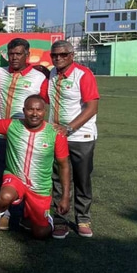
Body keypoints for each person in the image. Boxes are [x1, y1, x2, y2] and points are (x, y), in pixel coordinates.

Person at [0, 95, 71, 242]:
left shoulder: (56, 134)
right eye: (30, 109)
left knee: (41, 234)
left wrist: (65, 197)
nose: (34, 113)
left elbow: (64, 166)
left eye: (38, 110)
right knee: (5, 196)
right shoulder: (12, 125)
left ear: (44, 111)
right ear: (24, 111)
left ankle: (38, 218)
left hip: (39, 187)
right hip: (15, 178)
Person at [42, 40, 100, 238]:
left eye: (63, 54)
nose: (58, 58)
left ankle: (83, 218)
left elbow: (92, 108)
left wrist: (69, 128)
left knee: (82, 179)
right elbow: (44, 99)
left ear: (72, 55)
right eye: (54, 55)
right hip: (57, 136)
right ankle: (60, 220)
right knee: (57, 179)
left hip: (81, 137)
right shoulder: (52, 74)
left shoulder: (83, 74)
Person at [0, 38, 48, 228]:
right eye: (11, 54)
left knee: (27, 176)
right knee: (0, 174)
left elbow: (47, 101)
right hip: (0, 136)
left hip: (25, 137)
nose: (14, 57)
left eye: (18, 54)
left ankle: (28, 213)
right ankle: (3, 213)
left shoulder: (39, 77)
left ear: (27, 55)